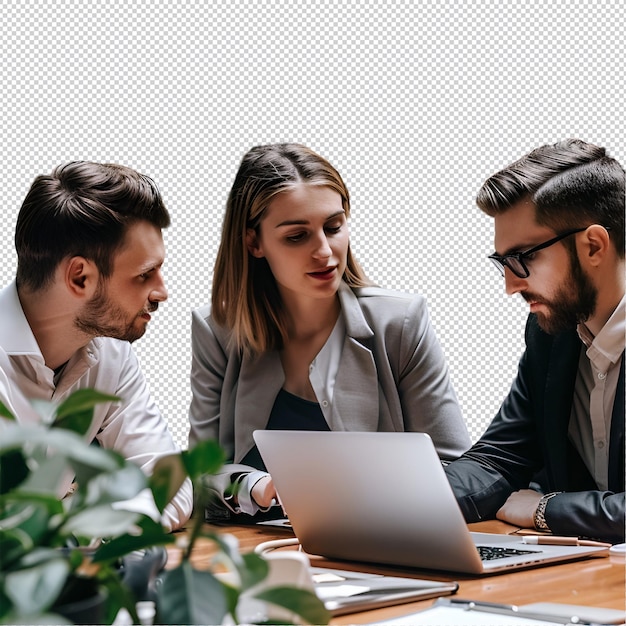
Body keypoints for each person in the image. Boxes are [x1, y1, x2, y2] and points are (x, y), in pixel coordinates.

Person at [189, 143, 470, 521]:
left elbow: (454, 468)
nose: (324, 252)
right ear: (253, 243)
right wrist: (257, 487)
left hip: (378, 539)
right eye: (296, 236)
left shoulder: (400, 322)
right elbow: (199, 473)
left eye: (333, 227)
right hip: (255, 548)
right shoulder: (218, 331)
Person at [445, 139, 625, 544]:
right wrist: (400, 501)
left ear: (593, 245)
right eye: (502, 263)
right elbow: (501, 456)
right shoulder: (552, 334)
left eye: (523, 257)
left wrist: (547, 509)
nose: (510, 285)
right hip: (587, 578)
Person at [0, 161, 193, 532]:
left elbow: (169, 482)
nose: (162, 291)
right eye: (144, 275)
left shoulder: (111, 355)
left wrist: (89, 531)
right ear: (80, 277)